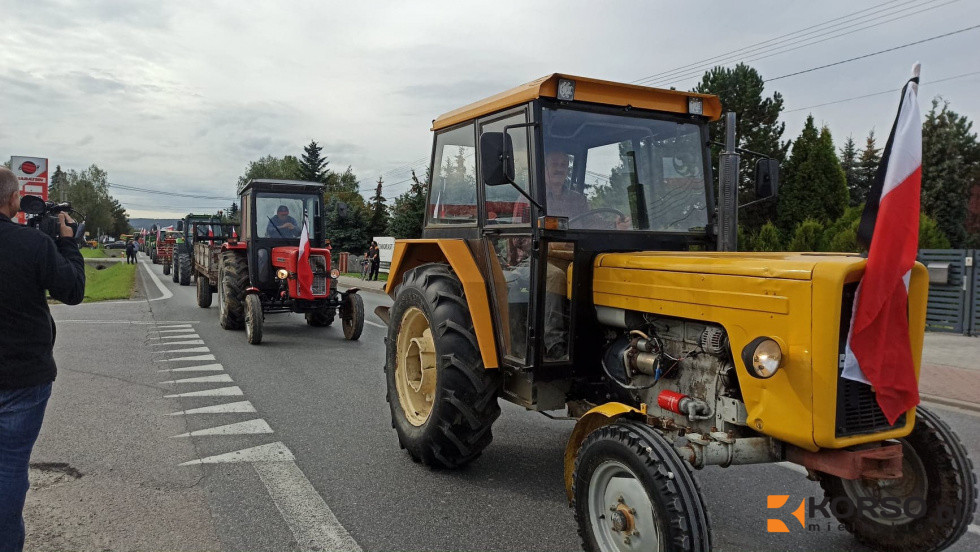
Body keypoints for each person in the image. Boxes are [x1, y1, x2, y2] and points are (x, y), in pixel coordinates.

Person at [0, 167, 85, 552]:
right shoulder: (33, 244)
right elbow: (72, 290)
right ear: (14, 199)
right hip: (23, 377)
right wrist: (68, 243)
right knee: (10, 468)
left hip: (24, 376)